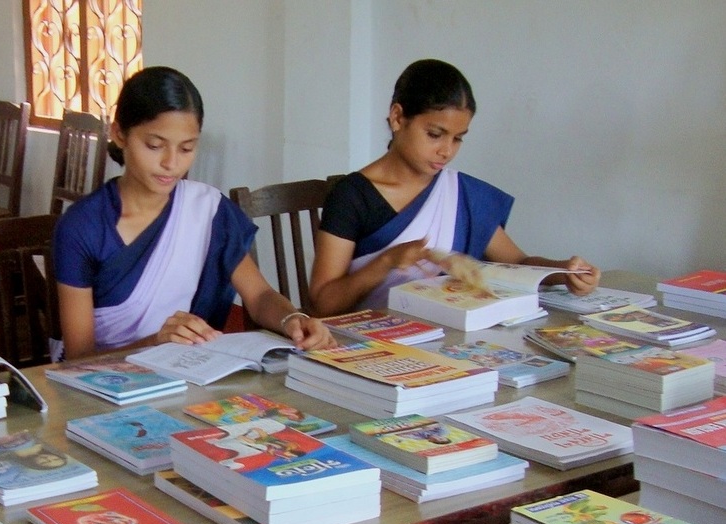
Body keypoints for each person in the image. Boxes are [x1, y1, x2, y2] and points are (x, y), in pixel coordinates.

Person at [53, 66, 336, 360]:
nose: (171, 163)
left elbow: (260, 296)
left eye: (187, 148)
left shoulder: (207, 210)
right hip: (100, 387)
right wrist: (156, 342)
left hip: (187, 372)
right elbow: (79, 358)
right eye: (154, 145)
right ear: (119, 134)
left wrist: (292, 319)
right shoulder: (82, 227)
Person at [309, 59, 601, 316]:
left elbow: (517, 263)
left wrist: (562, 272)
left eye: (458, 138)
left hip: (448, 339)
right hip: (370, 343)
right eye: (435, 134)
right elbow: (324, 303)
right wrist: (386, 261)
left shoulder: (459, 193)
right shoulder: (353, 197)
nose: (446, 151)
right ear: (398, 118)